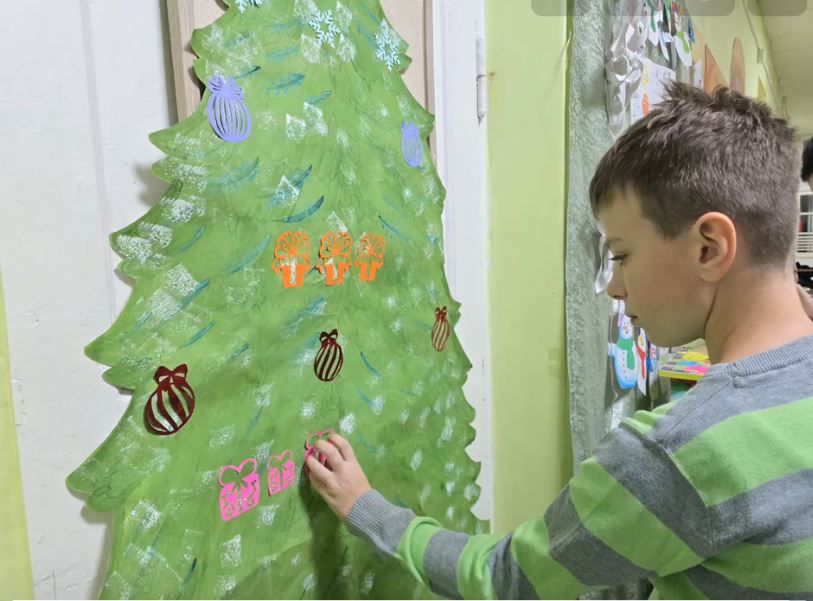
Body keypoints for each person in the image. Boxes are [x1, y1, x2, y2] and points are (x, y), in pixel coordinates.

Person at [306, 83, 813, 599]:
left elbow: (505, 577)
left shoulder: (681, 454)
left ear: (709, 248)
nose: (615, 286)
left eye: (622, 256)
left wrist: (367, 508)